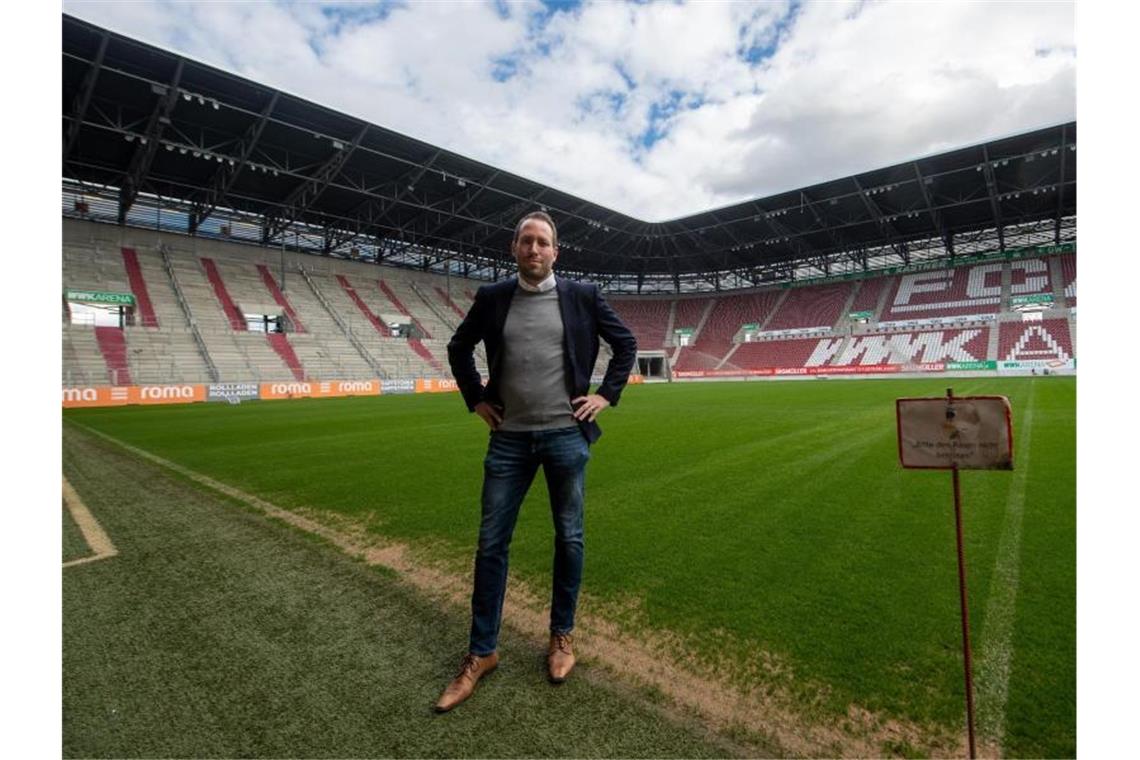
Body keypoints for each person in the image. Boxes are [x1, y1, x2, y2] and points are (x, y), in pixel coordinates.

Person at [436, 210, 637, 712]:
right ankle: (482, 653)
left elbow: (626, 344)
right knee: (490, 544)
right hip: (509, 439)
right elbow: (458, 348)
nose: (534, 249)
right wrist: (476, 398)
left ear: (555, 252)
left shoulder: (582, 296)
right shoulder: (493, 298)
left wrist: (606, 396)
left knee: (569, 537)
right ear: (514, 248)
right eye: (526, 241)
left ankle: (561, 637)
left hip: (567, 437)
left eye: (542, 242)